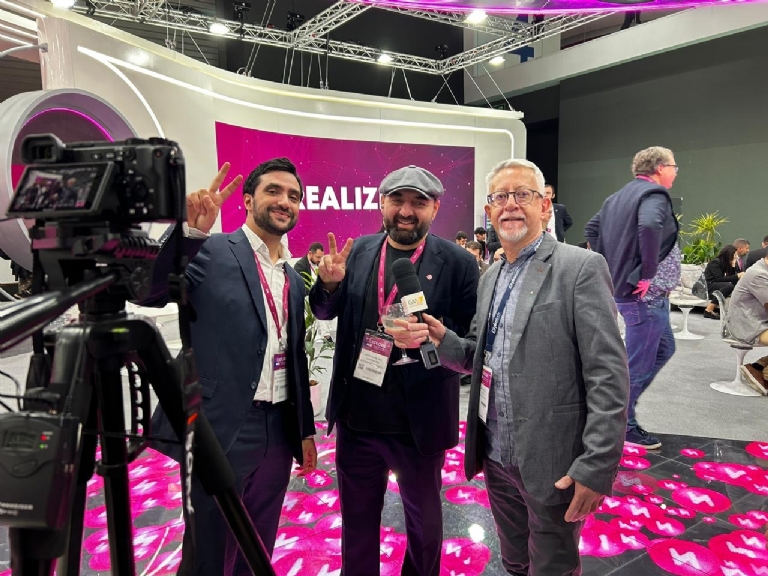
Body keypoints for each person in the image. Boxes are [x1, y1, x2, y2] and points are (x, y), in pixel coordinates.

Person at [389, 158, 629, 576]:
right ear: (489, 209)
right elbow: (476, 358)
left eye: (523, 194)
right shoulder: (491, 276)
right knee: (515, 562)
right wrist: (441, 338)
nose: (511, 204)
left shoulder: (580, 268)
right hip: (496, 455)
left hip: (552, 459)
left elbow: (608, 375)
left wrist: (596, 466)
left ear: (545, 205)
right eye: (501, 196)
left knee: (553, 567)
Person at [144, 159, 317, 575]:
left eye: (293, 196)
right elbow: (149, 291)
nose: (285, 201)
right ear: (247, 200)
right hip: (220, 427)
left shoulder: (292, 279)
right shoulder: (211, 249)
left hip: (278, 432)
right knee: (209, 551)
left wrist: (304, 430)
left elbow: (293, 357)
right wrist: (190, 235)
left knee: (257, 546)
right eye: (273, 191)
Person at [309, 165, 479, 576]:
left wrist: (434, 338)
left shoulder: (459, 262)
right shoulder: (360, 251)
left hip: (419, 425)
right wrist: (328, 286)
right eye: (397, 200)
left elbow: (470, 346)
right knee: (356, 524)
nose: (406, 211)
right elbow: (324, 311)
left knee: (424, 527)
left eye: (418, 202)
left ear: (435, 207)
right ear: (381, 203)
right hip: (358, 420)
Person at [585, 146, 681, 450]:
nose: (676, 172)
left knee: (664, 348)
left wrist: (612, 265)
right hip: (645, 296)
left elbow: (591, 228)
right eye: (674, 166)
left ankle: (619, 409)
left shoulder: (617, 197)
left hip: (642, 295)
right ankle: (621, 424)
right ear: (660, 168)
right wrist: (645, 272)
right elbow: (650, 225)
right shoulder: (654, 194)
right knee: (637, 364)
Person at [728, 250, 768, 395]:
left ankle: (758, 367)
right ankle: (763, 373)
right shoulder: (759, 274)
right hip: (747, 326)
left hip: (758, 322)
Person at [702, 244, 743, 320]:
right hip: (709, 285)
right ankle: (708, 310)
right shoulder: (715, 262)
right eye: (735, 254)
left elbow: (730, 278)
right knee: (729, 286)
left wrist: (733, 266)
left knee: (735, 285)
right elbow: (719, 279)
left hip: (717, 284)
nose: (736, 256)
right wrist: (737, 276)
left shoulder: (726, 262)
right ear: (729, 254)